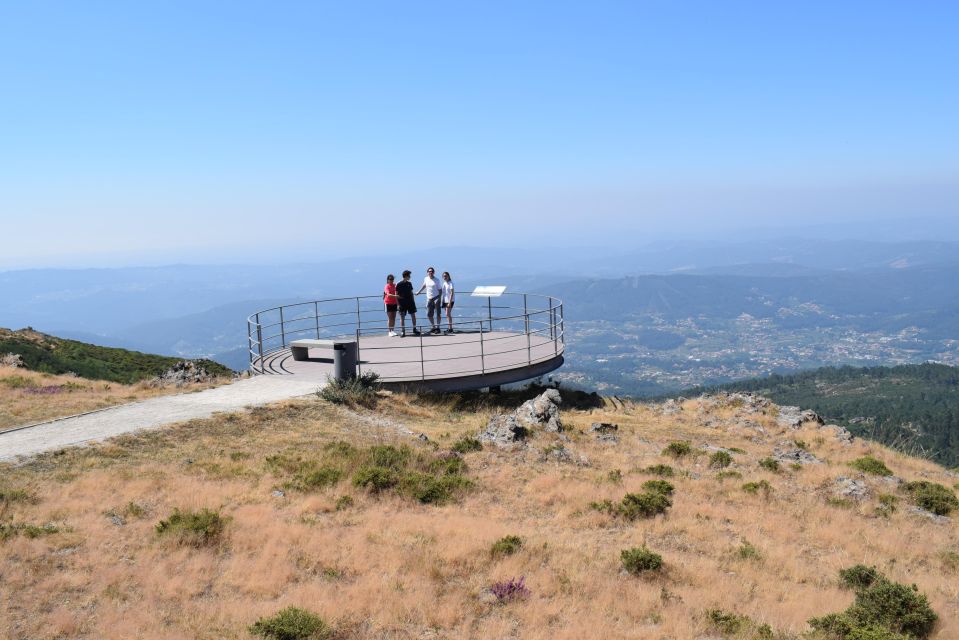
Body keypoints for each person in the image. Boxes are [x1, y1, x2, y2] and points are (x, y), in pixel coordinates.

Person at [416, 266, 443, 334]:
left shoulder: (437, 280)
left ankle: (438, 327)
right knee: (429, 314)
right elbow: (424, 286)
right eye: (429, 271)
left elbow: (440, 289)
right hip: (429, 298)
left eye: (431, 271)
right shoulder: (426, 279)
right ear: (427, 272)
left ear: (433, 272)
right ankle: (433, 327)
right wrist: (419, 292)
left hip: (436, 298)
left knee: (438, 314)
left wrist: (439, 298)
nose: (430, 272)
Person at [395, 270, 419, 337]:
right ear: (406, 276)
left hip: (410, 302)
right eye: (409, 275)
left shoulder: (409, 283)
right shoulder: (399, 284)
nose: (410, 277)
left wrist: (413, 302)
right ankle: (403, 331)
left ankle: (414, 329)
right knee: (402, 317)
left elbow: (411, 293)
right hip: (402, 303)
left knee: (413, 316)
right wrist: (398, 305)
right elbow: (396, 295)